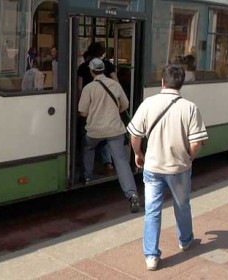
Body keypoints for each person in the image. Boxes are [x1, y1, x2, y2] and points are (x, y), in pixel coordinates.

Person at [127, 64, 208, 271]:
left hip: (153, 167)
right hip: (179, 169)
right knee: (182, 206)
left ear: (162, 82)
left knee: (152, 211)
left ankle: (151, 257)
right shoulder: (190, 108)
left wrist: (138, 154)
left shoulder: (148, 103)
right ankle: (185, 240)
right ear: (181, 84)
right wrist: (188, 158)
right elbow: (196, 143)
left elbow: (135, 135)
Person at [78, 58, 140, 213]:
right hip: (115, 129)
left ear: (91, 71)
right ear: (104, 70)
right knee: (121, 160)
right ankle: (132, 195)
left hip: (95, 130)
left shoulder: (89, 88)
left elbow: (82, 111)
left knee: (88, 146)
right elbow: (125, 104)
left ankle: (87, 176)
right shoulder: (115, 85)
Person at [77, 42, 118, 173]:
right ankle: (107, 163)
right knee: (105, 135)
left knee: (89, 137)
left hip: (90, 107)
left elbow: (79, 88)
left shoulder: (83, 67)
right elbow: (116, 83)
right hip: (107, 106)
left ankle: (87, 170)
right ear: (102, 53)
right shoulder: (108, 65)